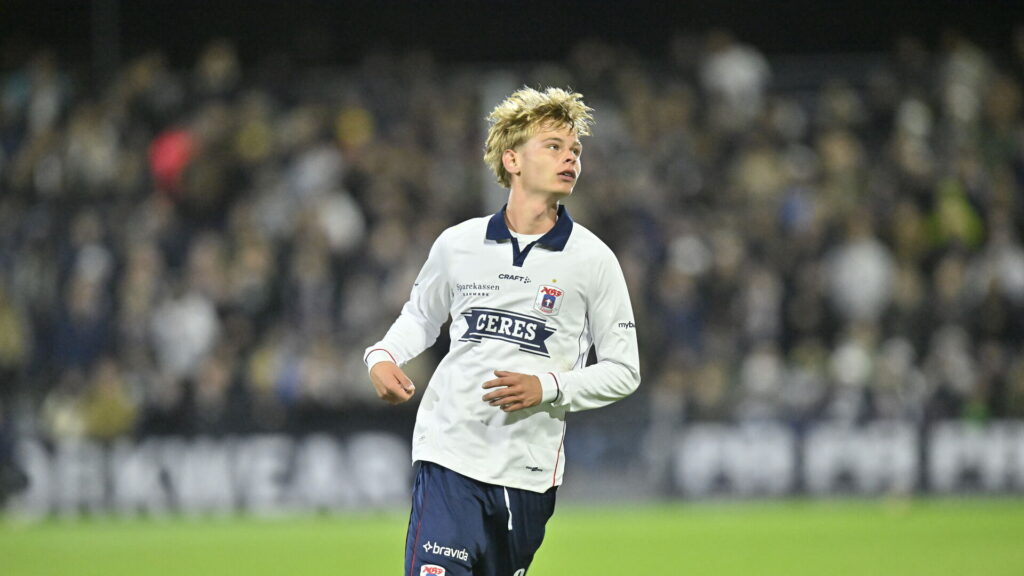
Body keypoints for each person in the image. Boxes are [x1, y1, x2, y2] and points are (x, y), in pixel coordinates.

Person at [364, 86, 641, 576]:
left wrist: (547, 387)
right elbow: (421, 317)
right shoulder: (458, 244)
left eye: (575, 149)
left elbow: (624, 370)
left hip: (526, 472)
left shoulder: (593, 260)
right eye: (553, 146)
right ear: (512, 159)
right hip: (448, 456)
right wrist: (382, 356)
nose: (570, 158)